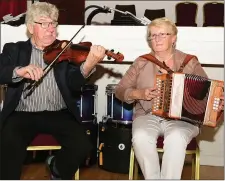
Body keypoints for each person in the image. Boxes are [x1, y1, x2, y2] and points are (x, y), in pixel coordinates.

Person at [0, 2, 106, 180]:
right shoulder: (14, 49)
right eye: (44, 23)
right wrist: (19, 71)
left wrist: (87, 66)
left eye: (54, 23)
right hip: (22, 113)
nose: (51, 29)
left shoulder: (64, 50)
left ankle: (56, 168)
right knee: (8, 144)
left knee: (82, 145)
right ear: (31, 27)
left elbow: (74, 84)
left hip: (58, 113)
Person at [115, 17, 224, 179]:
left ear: (173, 38)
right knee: (140, 137)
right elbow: (120, 90)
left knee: (176, 138)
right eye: (152, 36)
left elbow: (207, 93)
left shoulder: (190, 62)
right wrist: (140, 93)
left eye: (162, 34)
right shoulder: (142, 62)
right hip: (148, 115)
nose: (156, 39)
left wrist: (218, 101)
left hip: (183, 120)